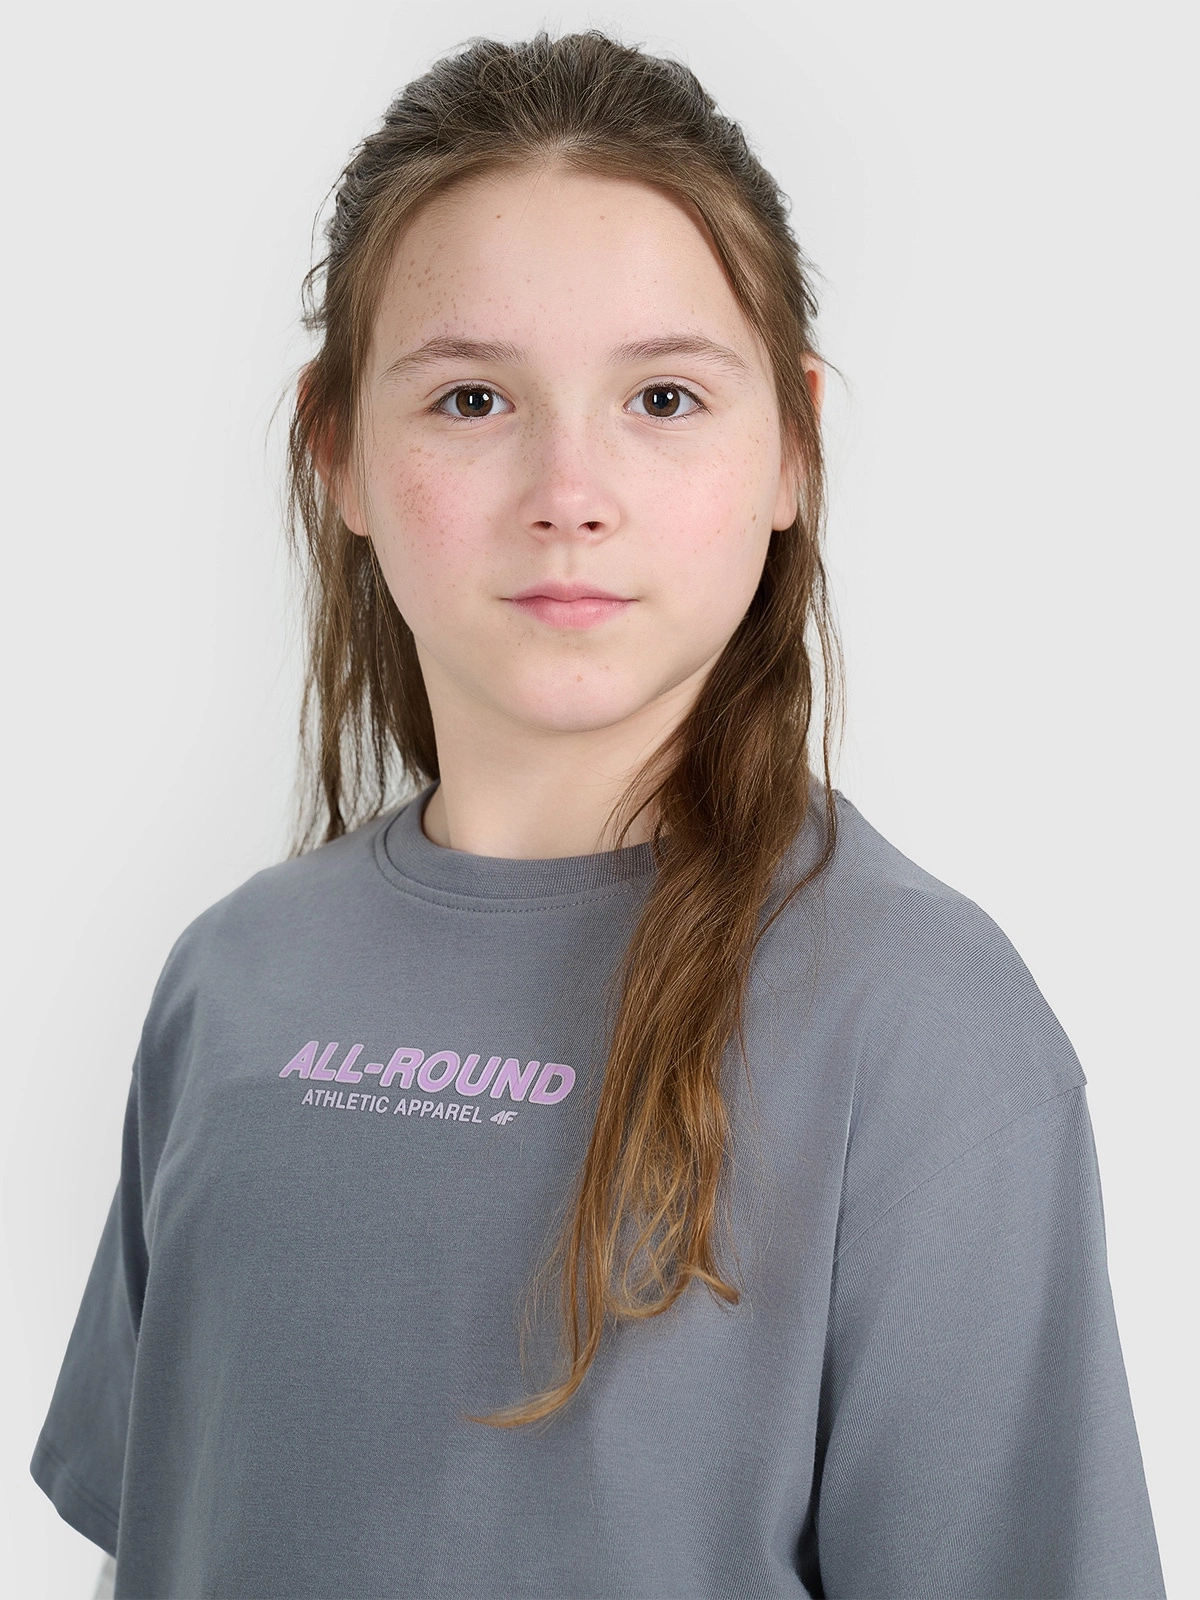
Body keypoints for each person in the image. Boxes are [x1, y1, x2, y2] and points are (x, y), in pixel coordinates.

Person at [31, 30, 1165, 1600]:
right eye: (473, 397)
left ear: (794, 448)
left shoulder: (920, 1025)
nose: (571, 490)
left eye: (663, 396)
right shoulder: (232, 980)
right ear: (338, 450)